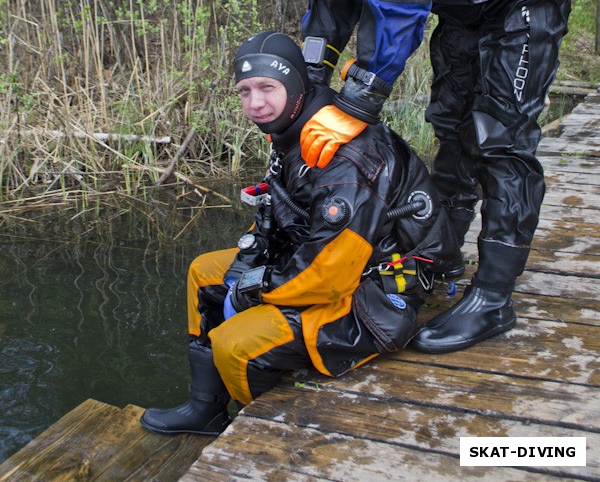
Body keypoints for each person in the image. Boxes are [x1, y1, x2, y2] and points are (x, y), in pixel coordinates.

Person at [261, 0, 576, 353]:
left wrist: (353, 106)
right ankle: (440, 255)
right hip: (462, 8)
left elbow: (397, 8)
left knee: (499, 138)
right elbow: (330, 4)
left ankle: (494, 298)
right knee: (451, 125)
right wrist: (307, 94)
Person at [140, 30, 460, 435]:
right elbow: (282, 209)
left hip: (378, 288)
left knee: (236, 344)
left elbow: (326, 276)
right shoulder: (298, 126)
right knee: (204, 272)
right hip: (326, 258)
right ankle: (206, 408)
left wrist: (253, 287)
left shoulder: (345, 154)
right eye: (244, 91)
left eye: (266, 87)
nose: (254, 103)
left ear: (295, 85)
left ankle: (253, 429)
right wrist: (250, 262)